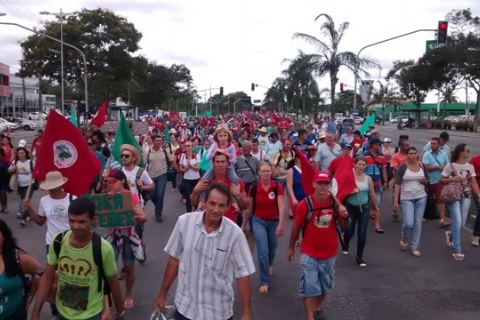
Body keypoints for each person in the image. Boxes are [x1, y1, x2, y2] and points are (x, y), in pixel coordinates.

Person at [154, 183, 256, 320]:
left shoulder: (235, 234)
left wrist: (246, 313)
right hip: (186, 308)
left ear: (228, 207)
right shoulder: (184, 222)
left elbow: (243, 274)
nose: (215, 209)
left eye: (221, 206)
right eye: (212, 203)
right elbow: (174, 260)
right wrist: (162, 294)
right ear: (204, 202)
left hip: (218, 312)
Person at [32, 198, 125, 320]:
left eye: (82, 222)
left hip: (90, 315)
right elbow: (48, 277)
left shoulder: (103, 249)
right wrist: (35, 312)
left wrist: (120, 313)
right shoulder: (58, 241)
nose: (75, 226)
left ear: (93, 220)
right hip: (62, 312)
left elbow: (113, 283)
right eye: (72, 221)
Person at [286, 172, 349, 320]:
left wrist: (345, 215)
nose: (322, 186)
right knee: (309, 286)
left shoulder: (336, 203)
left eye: (325, 184)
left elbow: (345, 226)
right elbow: (296, 226)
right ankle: (310, 316)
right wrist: (290, 247)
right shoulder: (305, 204)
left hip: (329, 252)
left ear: (329, 186)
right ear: (314, 184)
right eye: (319, 183)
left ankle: (316, 307)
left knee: (324, 285)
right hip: (309, 252)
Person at [23, 171, 74, 318]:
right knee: (51, 279)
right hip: (52, 244)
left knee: (70, 276)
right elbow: (40, 221)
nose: (52, 188)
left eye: (54, 186)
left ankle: (71, 306)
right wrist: (29, 210)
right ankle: (56, 311)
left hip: (71, 244)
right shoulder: (44, 201)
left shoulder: (72, 199)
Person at [104, 170, 147, 310]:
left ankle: (128, 294)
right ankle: (108, 293)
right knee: (108, 268)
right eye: (107, 182)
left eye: (112, 181)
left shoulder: (132, 196)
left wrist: (137, 215)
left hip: (128, 236)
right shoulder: (105, 198)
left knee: (128, 267)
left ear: (122, 181)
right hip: (113, 236)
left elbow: (143, 217)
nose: (109, 184)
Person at [242, 163, 285, 294]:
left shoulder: (277, 187)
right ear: (259, 172)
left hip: (273, 221)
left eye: (268, 171)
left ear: (271, 172)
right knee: (262, 252)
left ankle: (270, 263)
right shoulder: (254, 188)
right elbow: (249, 208)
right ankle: (265, 282)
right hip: (258, 221)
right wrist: (243, 225)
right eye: (263, 171)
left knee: (272, 249)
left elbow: (282, 206)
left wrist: (281, 224)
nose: (266, 173)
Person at [440, 143, 480, 261]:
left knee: (462, 224)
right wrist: (452, 179)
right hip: (453, 196)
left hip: (466, 195)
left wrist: (479, 195)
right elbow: (441, 180)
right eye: (467, 151)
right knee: (457, 222)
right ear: (461, 152)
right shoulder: (450, 166)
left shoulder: (470, 167)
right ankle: (458, 249)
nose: (469, 152)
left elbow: (473, 183)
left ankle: (451, 235)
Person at [190, 150, 249, 223]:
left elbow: (245, 206)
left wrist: (238, 195)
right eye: (217, 162)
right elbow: (193, 203)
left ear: (227, 163)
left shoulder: (237, 181)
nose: (220, 165)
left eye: (223, 162)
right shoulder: (204, 181)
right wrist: (195, 191)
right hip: (207, 223)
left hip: (229, 223)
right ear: (213, 164)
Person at [0, 219, 40, 320]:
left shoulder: (17, 258)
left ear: (4, 236)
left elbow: (40, 273)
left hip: (15, 315)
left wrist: (30, 298)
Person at [342, 156, 379, 267]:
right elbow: (342, 191)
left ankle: (359, 256)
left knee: (362, 232)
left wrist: (376, 208)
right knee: (350, 231)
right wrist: (351, 191)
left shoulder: (368, 178)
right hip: (351, 207)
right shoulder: (349, 177)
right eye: (359, 164)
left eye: (363, 164)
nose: (361, 166)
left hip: (364, 207)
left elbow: (372, 194)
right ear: (355, 164)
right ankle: (346, 242)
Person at [393, 147, 429, 257]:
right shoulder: (402, 168)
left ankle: (414, 247)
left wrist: (425, 181)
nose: (413, 155)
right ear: (407, 155)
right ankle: (404, 238)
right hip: (407, 198)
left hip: (421, 196)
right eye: (411, 153)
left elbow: (428, 180)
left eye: (415, 153)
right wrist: (395, 201)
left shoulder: (422, 166)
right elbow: (397, 185)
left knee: (417, 223)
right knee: (408, 223)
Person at [200, 124, 241, 212]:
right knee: (204, 180)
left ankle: (234, 202)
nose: (222, 138)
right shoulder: (215, 145)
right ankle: (201, 201)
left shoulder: (231, 146)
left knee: (235, 179)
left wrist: (228, 155)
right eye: (220, 135)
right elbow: (207, 158)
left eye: (225, 135)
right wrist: (215, 152)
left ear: (228, 136)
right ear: (217, 136)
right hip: (214, 166)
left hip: (228, 167)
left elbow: (234, 161)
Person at [422, 137, 450, 228]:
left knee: (440, 200)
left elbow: (448, 166)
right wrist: (439, 167)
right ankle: (421, 215)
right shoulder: (427, 154)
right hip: (429, 181)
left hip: (439, 181)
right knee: (424, 199)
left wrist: (446, 171)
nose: (432, 145)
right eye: (431, 143)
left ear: (438, 145)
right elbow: (426, 167)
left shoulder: (443, 154)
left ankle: (442, 220)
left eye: (434, 144)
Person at [143, 136, 172, 223]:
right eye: (157, 140)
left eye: (160, 141)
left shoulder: (164, 151)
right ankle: (158, 205)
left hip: (162, 175)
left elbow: (171, 160)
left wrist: (177, 171)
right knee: (152, 195)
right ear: (153, 141)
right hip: (151, 176)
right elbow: (143, 164)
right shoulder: (147, 152)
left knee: (160, 194)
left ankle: (158, 214)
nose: (159, 142)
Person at [362, 137, 387, 233]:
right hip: (366, 184)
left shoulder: (381, 157)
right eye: (379, 145)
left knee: (378, 204)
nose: (380, 146)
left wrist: (385, 181)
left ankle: (377, 225)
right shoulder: (364, 156)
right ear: (374, 145)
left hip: (377, 184)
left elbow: (384, 169)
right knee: (365, 204)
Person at [8, 147, 35, 225]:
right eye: (19, 153)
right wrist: (12, 170)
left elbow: (36, 171)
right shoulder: (15, 162)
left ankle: (23, 219)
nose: (20, 155)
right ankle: (30, 214)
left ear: (25, 154)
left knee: (25, 200)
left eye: (22, 153)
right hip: (19, 185)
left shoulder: (31, 162)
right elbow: (9, 172)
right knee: (23, 199)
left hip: (29, 184)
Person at [179, 141, 201, 212]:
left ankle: (196, 210)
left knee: (196, 195)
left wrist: (190, 165)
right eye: (185, 146)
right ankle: (188, 212)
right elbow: (180, 168)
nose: (186, 147)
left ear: (192, 147)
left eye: (188, 146)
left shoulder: (196, 156)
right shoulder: (182, 157)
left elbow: (198, 168)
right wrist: (186, 168)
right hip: (187, 178)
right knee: (189, 196)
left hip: (196, 178)